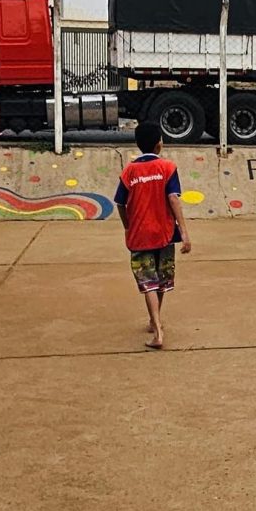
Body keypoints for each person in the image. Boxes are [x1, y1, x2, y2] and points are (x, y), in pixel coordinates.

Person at [114, 120, 192, 350]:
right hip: (164, 234)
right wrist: (184, 232)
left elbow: (120, 203)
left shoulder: (129, 171)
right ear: (160, 144)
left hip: (140, 235)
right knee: (161, 279)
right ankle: (155, 322)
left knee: (148, 282)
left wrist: (128, 226)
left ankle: (156, 326)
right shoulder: (168, 168)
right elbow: (173, 199)